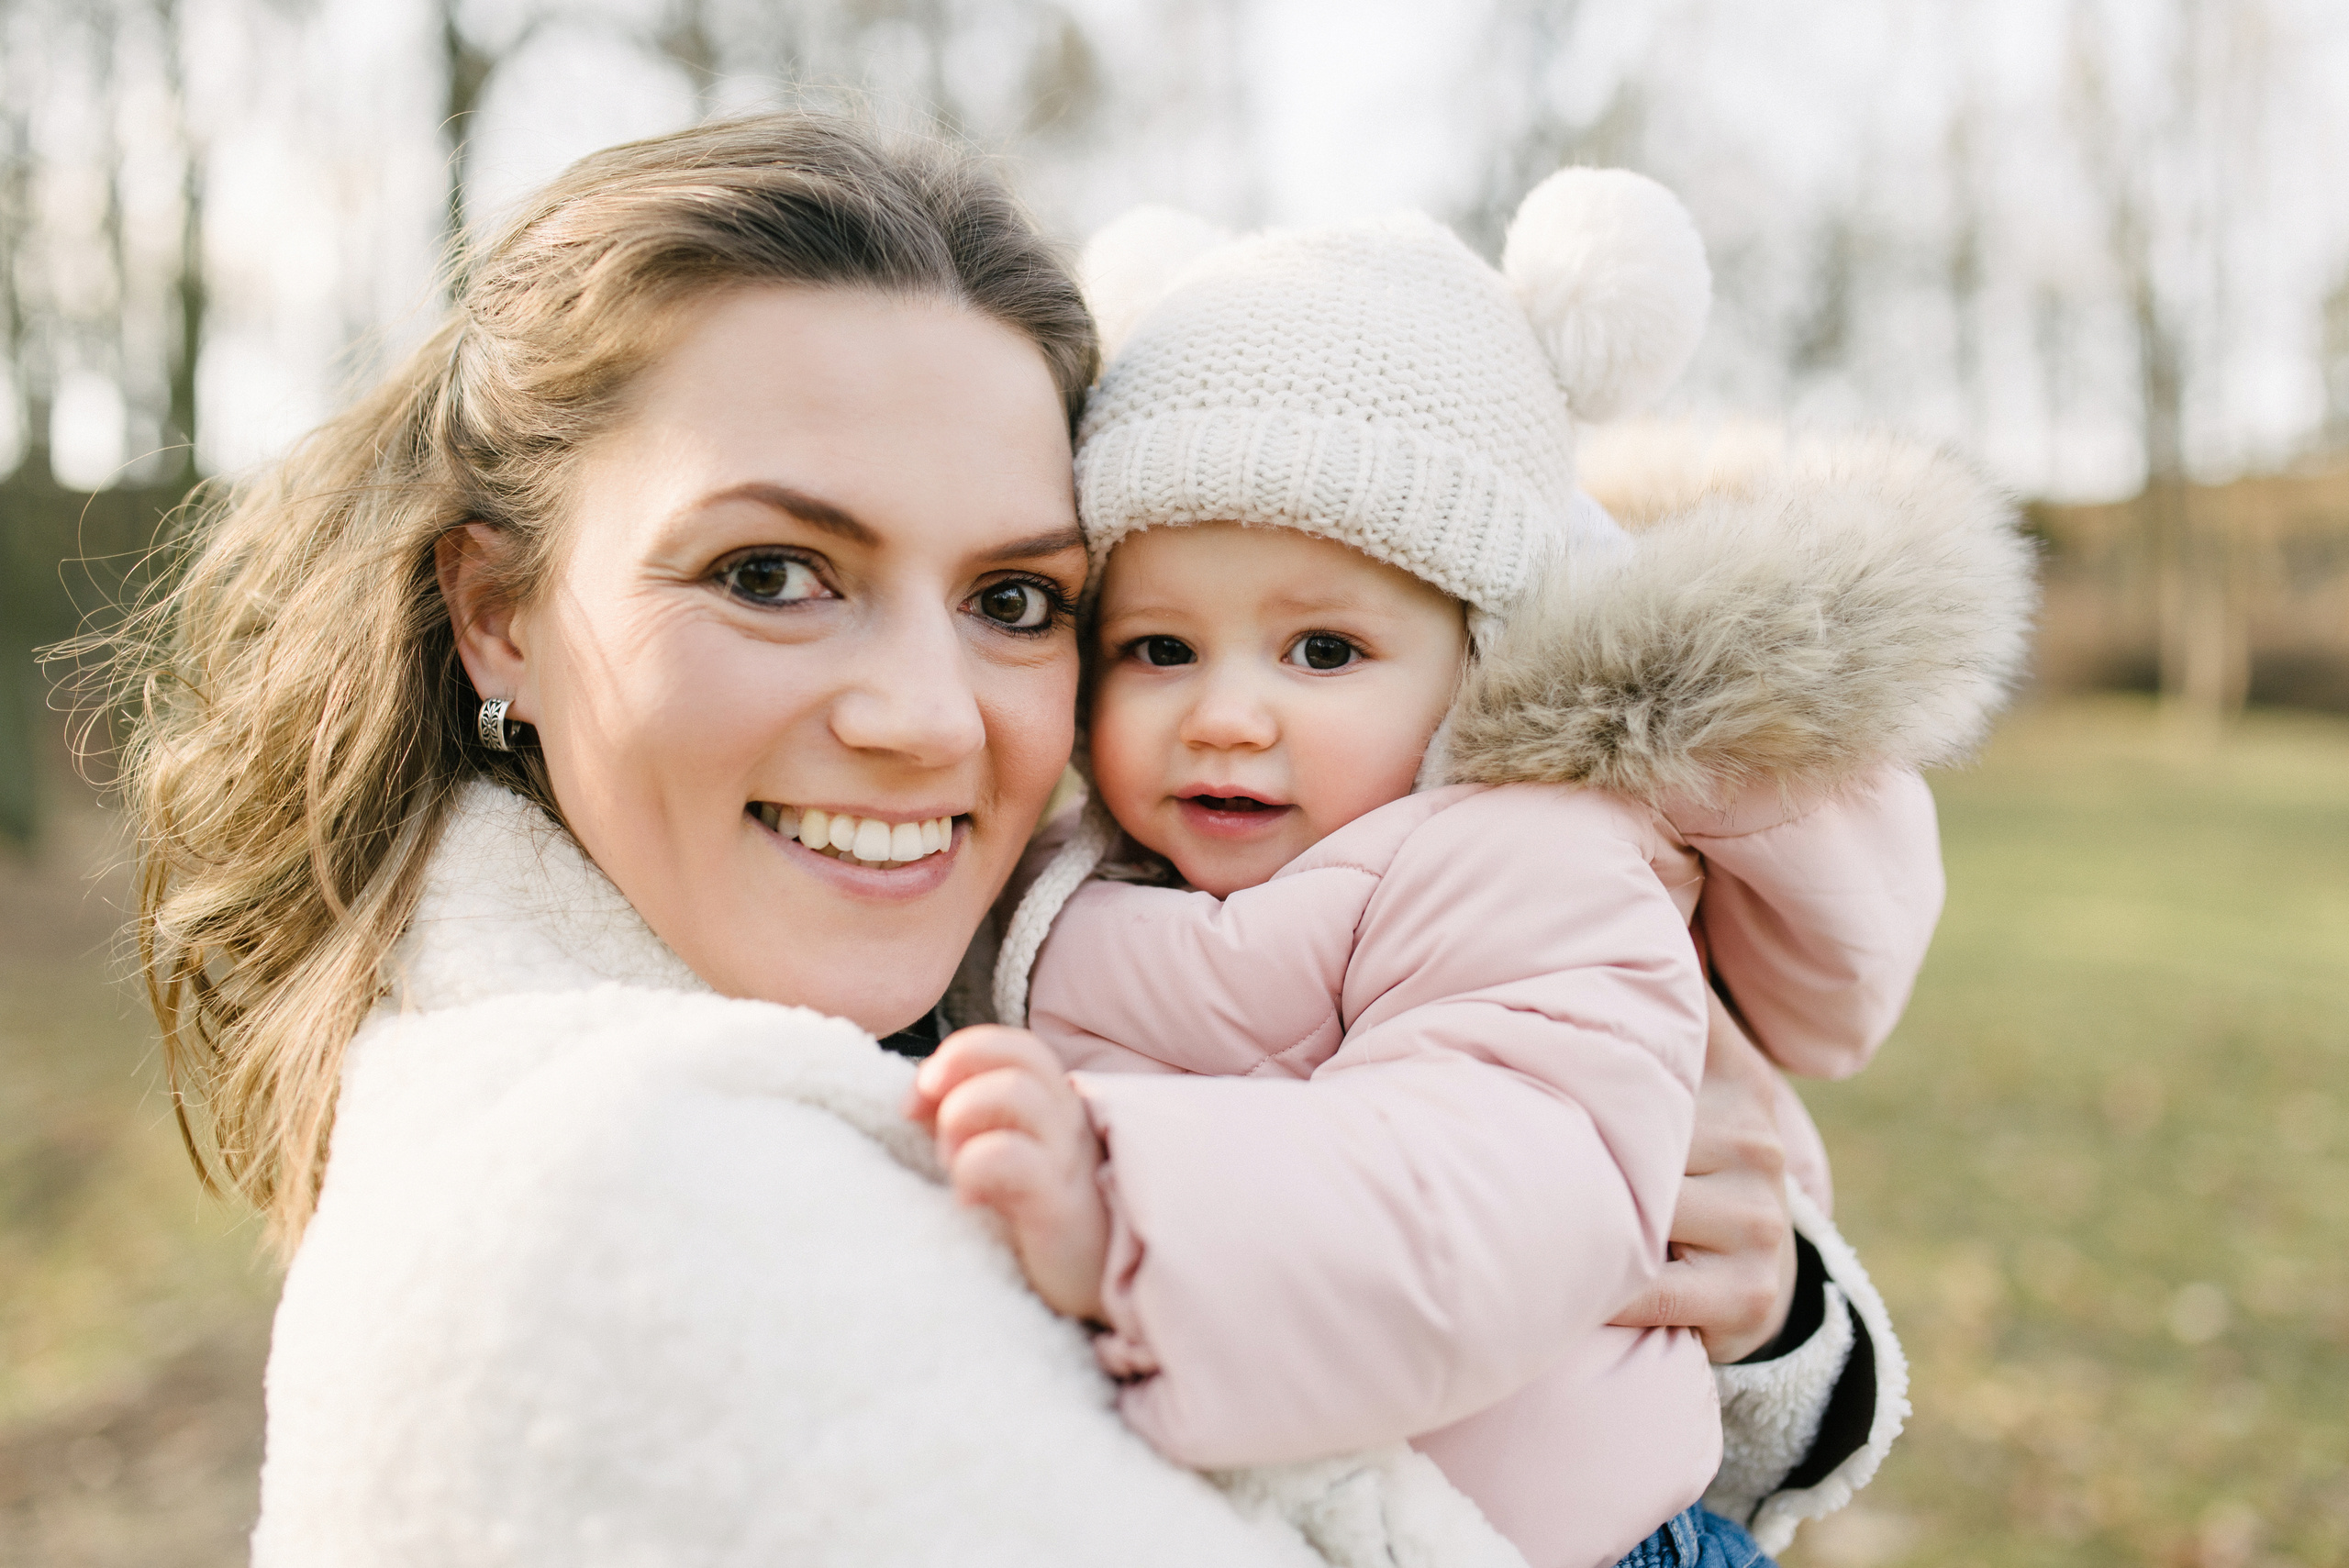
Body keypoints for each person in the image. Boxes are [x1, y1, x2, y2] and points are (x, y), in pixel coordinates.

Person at [89, 114, 1917, 1566]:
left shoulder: (977, 974)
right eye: (772, 573)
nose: (927, 715)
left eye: (1016, 601)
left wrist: (1756, 1332)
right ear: (496, 612)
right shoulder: (607, 1205)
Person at [908, 183, 2032, 1566]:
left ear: (1476, 673)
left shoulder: (1529, 861)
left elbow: (1490, 1180)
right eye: (1159, 649)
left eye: (1322, 651)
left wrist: (1125, 1212)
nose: (1226, 713)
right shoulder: (1075, 871)